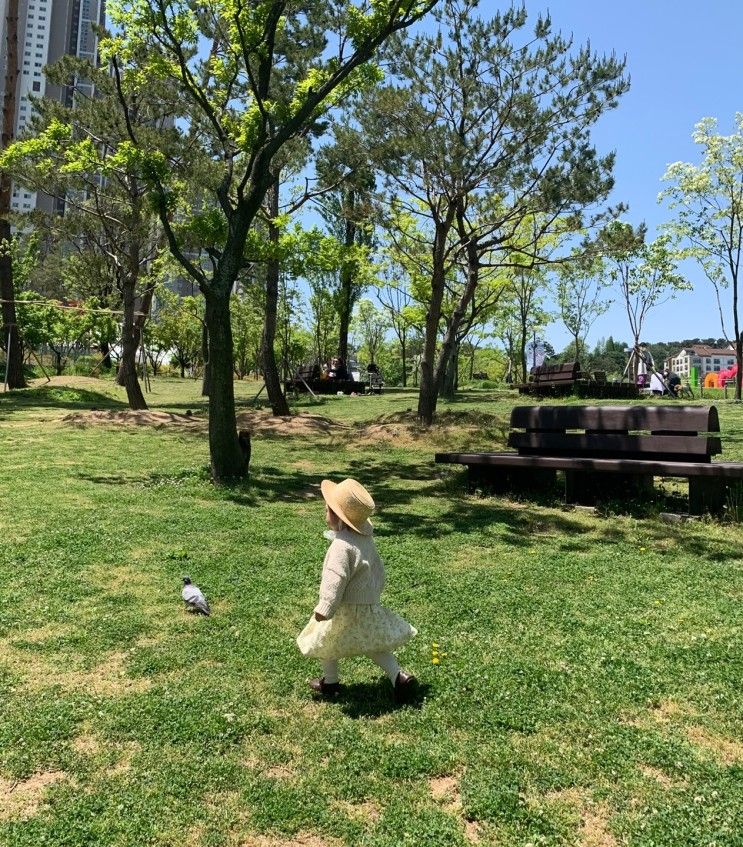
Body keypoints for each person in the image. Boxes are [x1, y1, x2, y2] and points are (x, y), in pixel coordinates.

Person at [296, 478, 417, 701]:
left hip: (342, 608)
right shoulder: (365, 541)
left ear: (335, 516)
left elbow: (335, 579)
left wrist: (325, 607)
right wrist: (373, 595)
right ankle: (398, 676)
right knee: (373, 644)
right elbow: (379, 571)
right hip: (367, 606)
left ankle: (330, 683)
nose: (325, 512)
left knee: (326, 642)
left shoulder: (341, 546)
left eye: (327, 509)